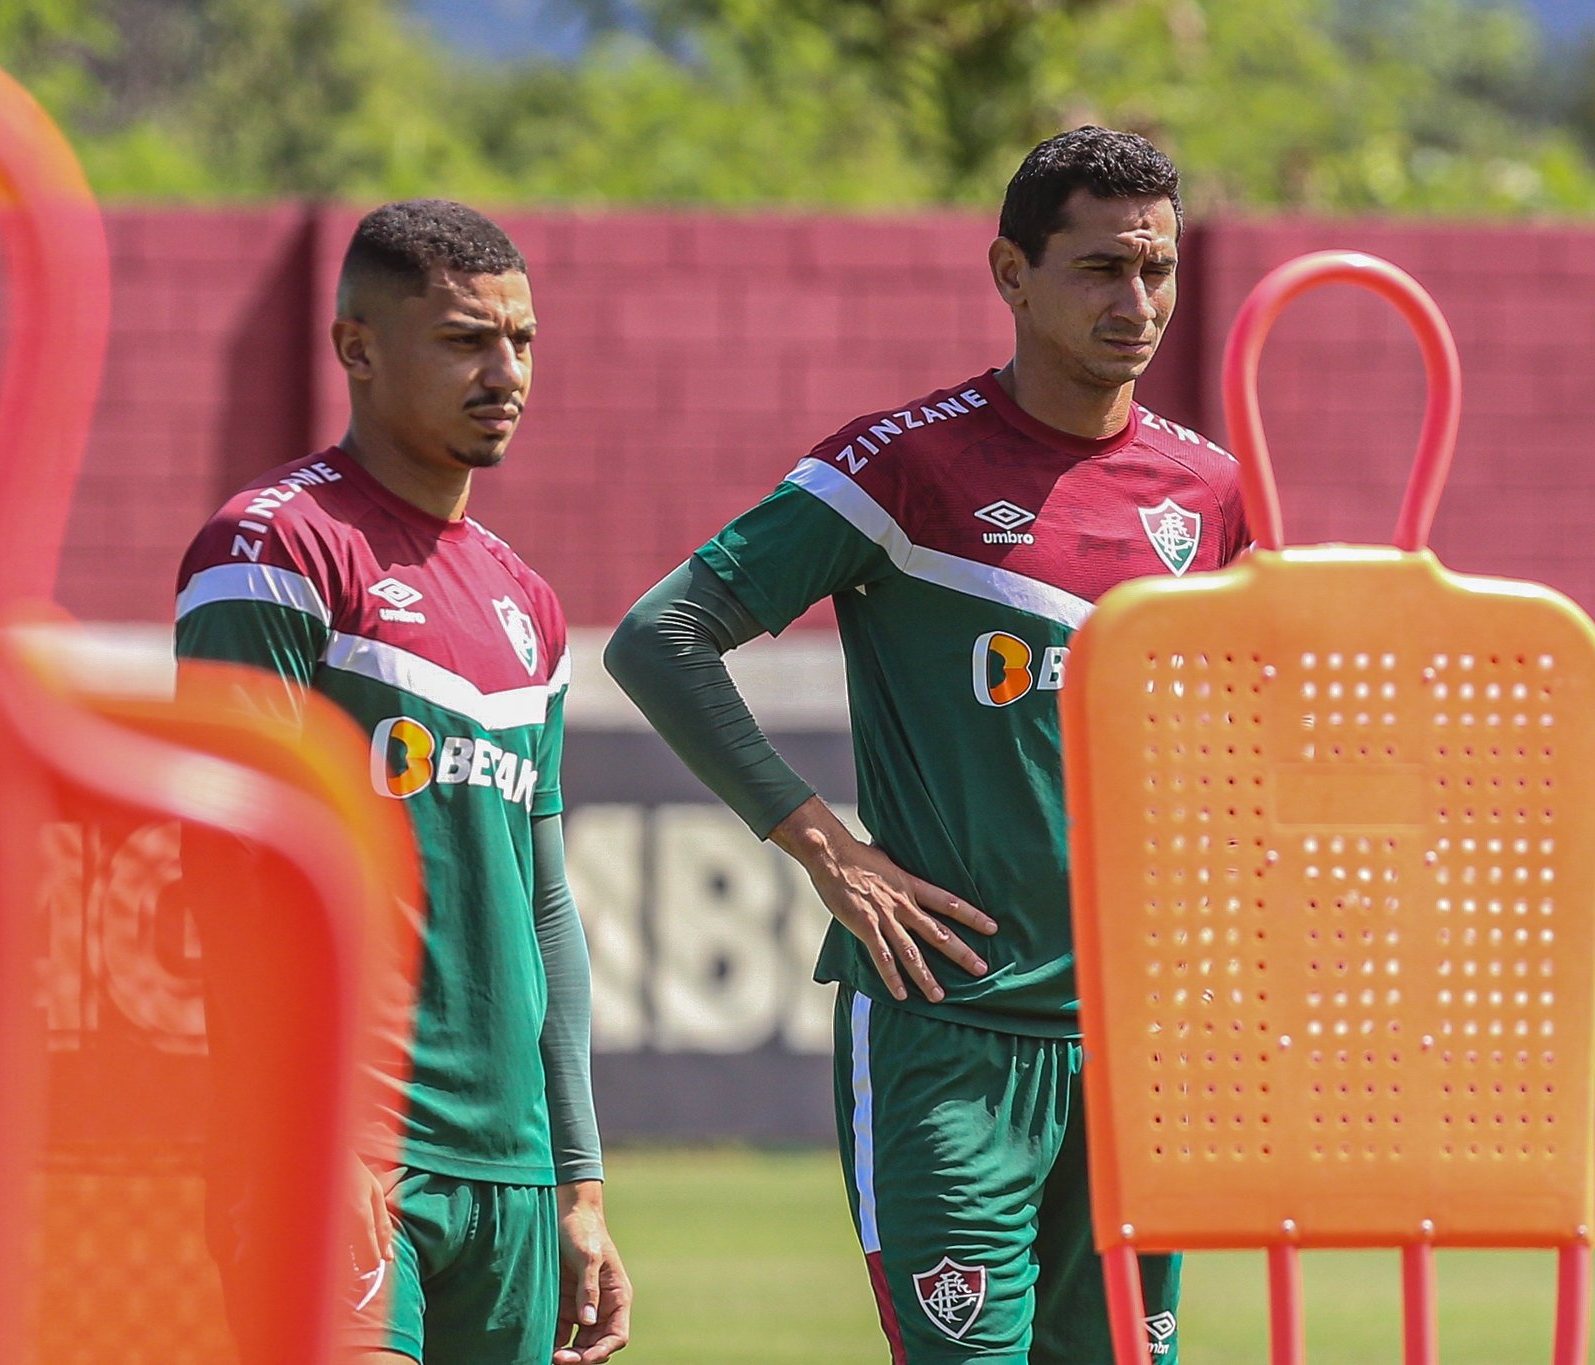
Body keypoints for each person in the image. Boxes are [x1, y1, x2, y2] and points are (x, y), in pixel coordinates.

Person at [605, 127, 1248, 1363]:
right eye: (1099, 268)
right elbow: (659, 635)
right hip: (946, 1032)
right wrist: (823, 850)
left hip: (1137, 1050)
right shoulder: (904, 467)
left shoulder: (1209, 491)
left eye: (1156, 270)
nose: (1137, 303)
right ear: (1009, 272)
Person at [175, 199, 630, 1364]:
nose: (504, 372)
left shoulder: (527, 605)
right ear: (357, 349)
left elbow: (542, 906)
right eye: (465, 340)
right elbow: (232, 866)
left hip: (513, 1175)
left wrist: (578, 1182)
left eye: (521, 341)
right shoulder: (273, 550)